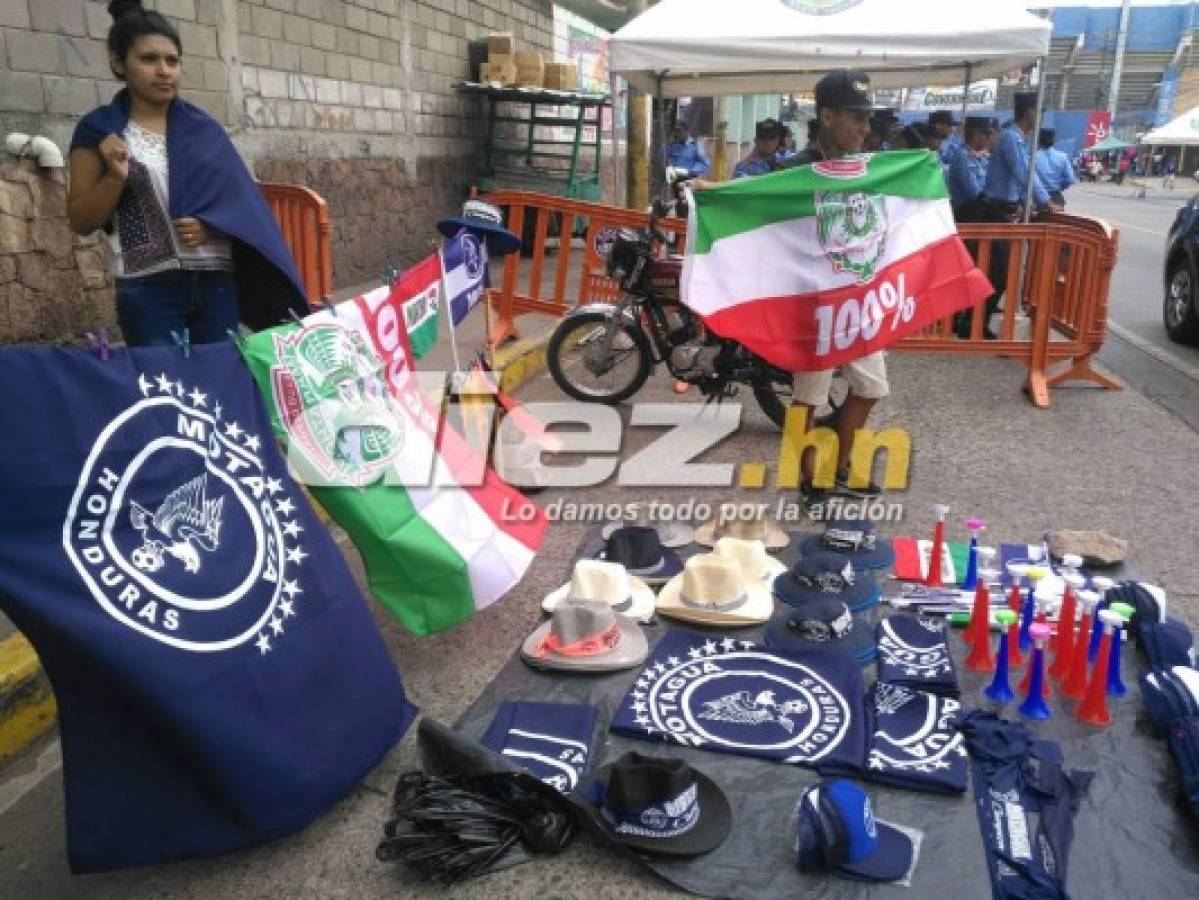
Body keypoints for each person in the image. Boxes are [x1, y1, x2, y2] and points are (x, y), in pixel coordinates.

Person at [68, 0, 307, 346]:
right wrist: (114, 177)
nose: (164, 70)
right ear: (119, 63)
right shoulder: (100, 130)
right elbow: (81, 220)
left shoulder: (203, 130)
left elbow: (242, 202)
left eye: (172, 60)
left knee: (219, 383)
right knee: (166, 392)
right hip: (148, 291)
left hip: (215, 284)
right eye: (149, 59)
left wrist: (210, 223)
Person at [776, 71, 887, 507]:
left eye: (866, 120)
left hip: (859, 299)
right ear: (826, 116)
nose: (865, 129)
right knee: (809, 396)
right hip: (815, 304)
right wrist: (712, 193)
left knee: (871, 387)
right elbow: (751, 204)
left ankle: (840, 469)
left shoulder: (870, 167)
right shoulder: (792, 170)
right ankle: (811, 478)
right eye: (856, 119)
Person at [946, 116, 995, 217]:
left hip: (981, 208)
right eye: (988, 134)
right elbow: (974, 193)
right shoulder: (963, 157)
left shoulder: (982, 156)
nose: (991, 138)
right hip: (967, 213)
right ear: (976, 135)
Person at [1033, 128, 1076, 208]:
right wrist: (1059, 187)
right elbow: (1070, 179)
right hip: (1056, 198)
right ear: (1054, 140)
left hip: (1037, 199)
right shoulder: (1063, 157)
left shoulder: (1033, 157)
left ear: (1038, 139)